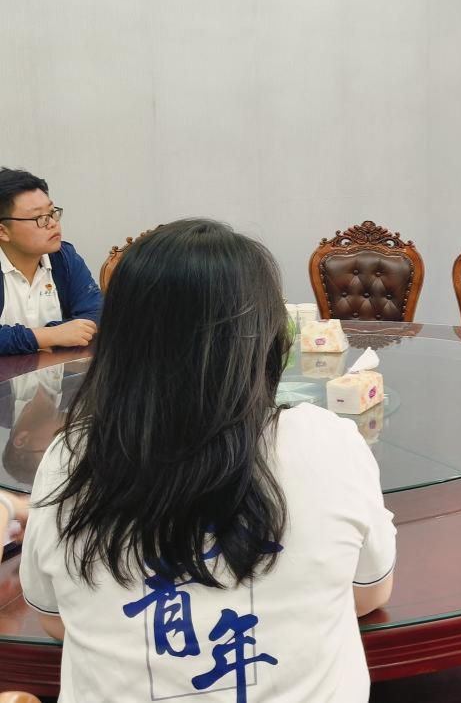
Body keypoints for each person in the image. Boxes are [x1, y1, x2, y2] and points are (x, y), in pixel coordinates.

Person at [19, 219, 396, 702]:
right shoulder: (330, 442)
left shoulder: (71, 458)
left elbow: (55, 619)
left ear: (120, 339)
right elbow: (370, 592)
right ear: (265, 335)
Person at [0, 168, 102, 354]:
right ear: (3, 231)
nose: (53, 223)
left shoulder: (64, 257)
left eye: (52, 212)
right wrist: (49, 336)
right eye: (40, 218)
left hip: (55, 369)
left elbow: (96, 312)